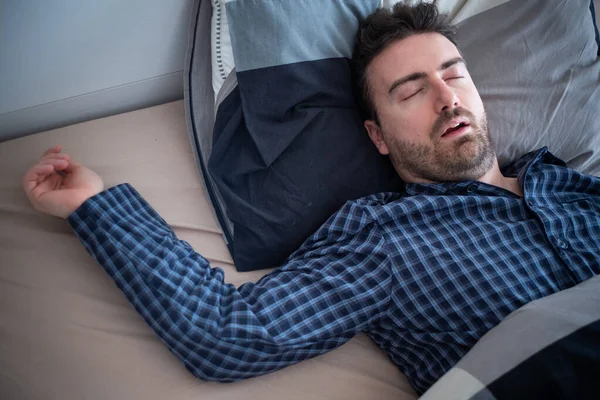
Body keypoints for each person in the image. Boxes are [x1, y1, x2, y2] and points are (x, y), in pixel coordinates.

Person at [21, 2, 600, 395]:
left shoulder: (573, 185)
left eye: (454, 74)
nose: (447, 99)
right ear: (377, 136)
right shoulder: (384, 240)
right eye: (411, 91)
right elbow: (227, 335)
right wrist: (93, 205)